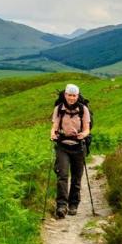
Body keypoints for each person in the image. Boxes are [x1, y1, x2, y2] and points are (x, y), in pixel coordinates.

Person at [50, 83, 90, 218]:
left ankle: (73, 204)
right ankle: (61, 206)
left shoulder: (83, 109)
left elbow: (87, 128)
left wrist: (83, 135)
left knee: (76, 177)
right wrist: (53, 134)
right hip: (62, 145)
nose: (71, 98)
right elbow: (54, 125)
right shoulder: (59, 108)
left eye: (74, 95)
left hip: (78, 146)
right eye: (69, 95)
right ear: (65, 95)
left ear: (77, 96)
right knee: (62, 175)